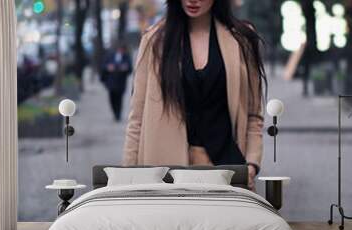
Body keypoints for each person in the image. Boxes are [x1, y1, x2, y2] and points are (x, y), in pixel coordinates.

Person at [123, 0, 267, 190]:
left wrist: (251, 164)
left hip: (227, 171)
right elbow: (137, 118)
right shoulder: (154, 41)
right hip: (166, 174)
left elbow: (254, 114)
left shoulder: (242, 39)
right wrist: (126, 177)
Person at [101, 42, 133, 121]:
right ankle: (114, 112)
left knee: (119, 99)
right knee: (112, 98)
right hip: (111, 82)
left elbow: (130, 68)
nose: (121, 51)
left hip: (121, 82)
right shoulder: (110, 55)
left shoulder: (126, 56)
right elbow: (104, 66)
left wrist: (125, 68)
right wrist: (108, 67)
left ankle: (118, 114)